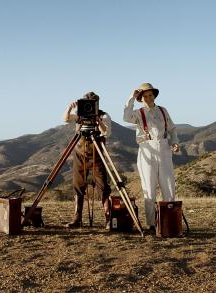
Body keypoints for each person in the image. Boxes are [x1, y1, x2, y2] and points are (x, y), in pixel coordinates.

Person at [123, 83, 180, 231]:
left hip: (165, 148)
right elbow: (126, 117)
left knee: (168, 186)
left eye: (150, 95)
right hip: (147, 148)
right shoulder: (138, 113)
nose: (148, 98)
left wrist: (174, 142)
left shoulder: (163, 111)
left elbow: (172, 129)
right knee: (149, 187)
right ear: (141, 98)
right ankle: (151, 224)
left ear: (154, 96)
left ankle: (169, 221)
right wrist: (131, 98)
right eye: (144, 96)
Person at [62, 92, 112, 228]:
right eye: (87, 102)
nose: (89, 105)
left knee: (102, 186)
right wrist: (69, 108)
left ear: (97, 103)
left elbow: (107, 132)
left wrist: (97, 120)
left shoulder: (103, 115)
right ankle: (77, 218)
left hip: (97, 154)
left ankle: (108, 218)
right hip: (80, 153)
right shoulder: (80, 114)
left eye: (92, 103)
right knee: (78, 185)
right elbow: (66, 119)